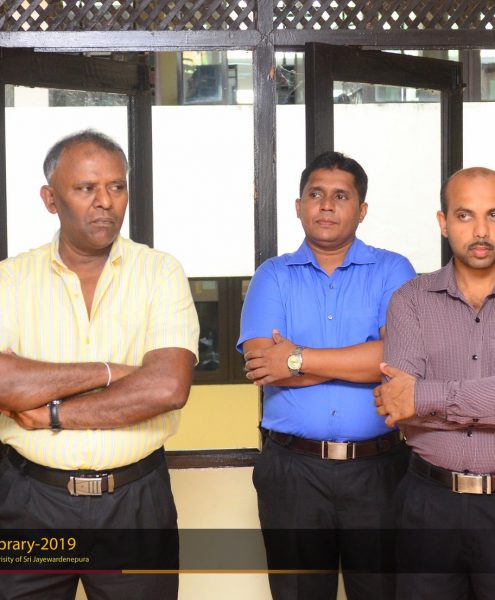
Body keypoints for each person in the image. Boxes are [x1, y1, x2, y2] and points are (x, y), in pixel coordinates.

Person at [0, 130, 199, 600]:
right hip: (32, 504)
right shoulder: (10, 279)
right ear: (50, 199)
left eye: (116, 186)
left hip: (135, 503)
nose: (105, 201)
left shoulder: (160, 272)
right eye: (86, 188)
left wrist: (52, 413)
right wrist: (110, 372)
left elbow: (167, 388)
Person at [238, 151, 415, 600]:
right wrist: (362, 360)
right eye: (316, 194)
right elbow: (263, 365)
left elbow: (399, 360)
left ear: (362, 209)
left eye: (341, 196)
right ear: (299, 206)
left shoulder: (393, 270)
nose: (327, 205)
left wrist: (296, 358)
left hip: (380, 471)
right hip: (292, 472)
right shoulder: (272, 276)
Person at [374, 166, 495, 600]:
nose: (481, 231)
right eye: (465, 215)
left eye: (493, 215)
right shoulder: (410, 300)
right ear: (443, 223)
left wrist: (426, 396)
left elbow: (413, 400)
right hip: (429, 505)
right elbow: (398, 407)